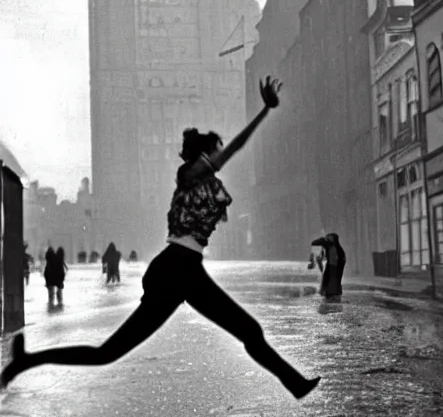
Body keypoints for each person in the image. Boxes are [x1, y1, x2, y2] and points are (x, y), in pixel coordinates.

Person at [2, 77, 321, 401]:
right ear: (204, 155)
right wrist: (264, 111)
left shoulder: (204, 181)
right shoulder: (188, 175)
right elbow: (235, 150)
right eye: (216, 151)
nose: (220, 155)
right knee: (110, 352)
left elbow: (228, 157)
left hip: (182, 269)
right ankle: (27, 360)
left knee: (109, 352)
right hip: (176, 269)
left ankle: (26, 360)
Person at [310, 233, 346, 299]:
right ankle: (329, 293)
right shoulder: (330, 245)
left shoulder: (334, 246)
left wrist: (322, 239)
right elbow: (315, 243)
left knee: (333, 279)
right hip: (332, 264)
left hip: (335, 265)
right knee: (329, 279)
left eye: (329, 238)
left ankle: (331, 294)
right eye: (327, 238)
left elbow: (315, 243)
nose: (327, 239)